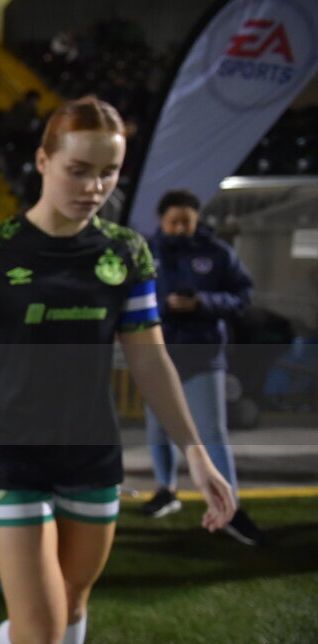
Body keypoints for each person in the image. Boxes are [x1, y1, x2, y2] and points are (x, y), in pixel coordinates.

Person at [0, 97, 236, 644]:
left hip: (92, 454)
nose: (94, 187)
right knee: (43, 627)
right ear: (44, 161)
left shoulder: (126, 253)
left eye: (108, 173)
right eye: (79, 171)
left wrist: (196, 453)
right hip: (10, 454)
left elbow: (149, 358)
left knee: (73, 605)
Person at [141, 189, 264, 545]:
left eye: (187, 222)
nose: (180, 228)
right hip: (156, 356)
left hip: (202, 354)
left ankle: (231, 507)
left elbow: (242, 296)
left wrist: (201, 303)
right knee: (157, 429)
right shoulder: (146, 251)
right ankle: (166, 491)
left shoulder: (218, 253)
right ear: (162, 221)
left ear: (197, 221)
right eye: (173, 222)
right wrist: (164, 307)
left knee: (211, 432)